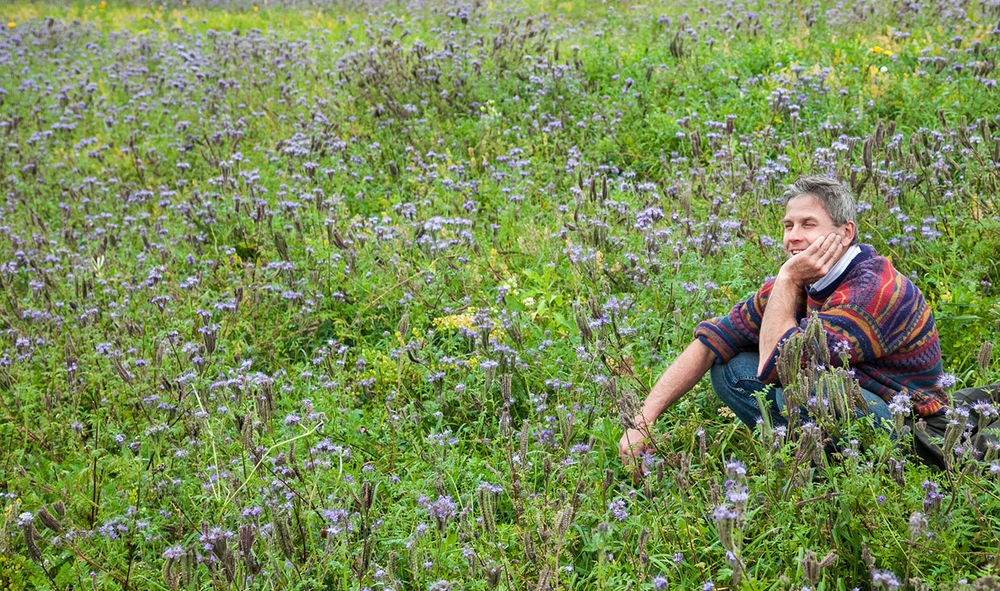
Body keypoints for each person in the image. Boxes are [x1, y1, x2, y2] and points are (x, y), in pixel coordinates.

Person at [618, 175, 951, 467]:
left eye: (808, 225)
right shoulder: (805, 278)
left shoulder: (873, 290)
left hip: (911, 429)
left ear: (845, 232)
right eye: (788, 225)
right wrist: (641, 423)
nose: (793, 236)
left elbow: (790, 366)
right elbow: (712, 340)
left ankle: (843, 472)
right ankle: (804, 460)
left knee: (812, 389)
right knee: (729, 366)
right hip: (854, 404)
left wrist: (788, 279)